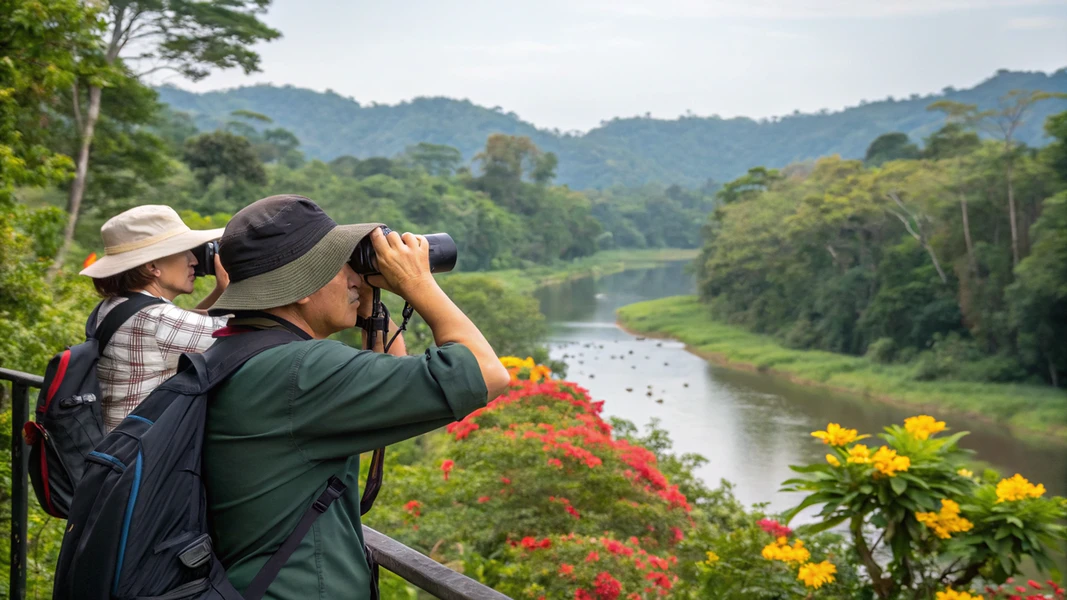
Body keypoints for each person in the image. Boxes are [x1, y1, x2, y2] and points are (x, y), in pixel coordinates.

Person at [202, 195, 510, 600]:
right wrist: (417, 284)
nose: (354, 278)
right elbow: (488, 374)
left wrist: (368, 310)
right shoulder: (301, 372)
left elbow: (391, 390)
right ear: (301, 287)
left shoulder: (236, 353)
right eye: (339, 266)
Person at [79, 204, 230, 431]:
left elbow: (182, 323)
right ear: (152, 266)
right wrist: (237, 287)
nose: (195, 261)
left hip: (114, 447)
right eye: (185, 252)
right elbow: (244, 334)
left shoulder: (114, 306)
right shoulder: (158, 320)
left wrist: (220, 292)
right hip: (140, 456)